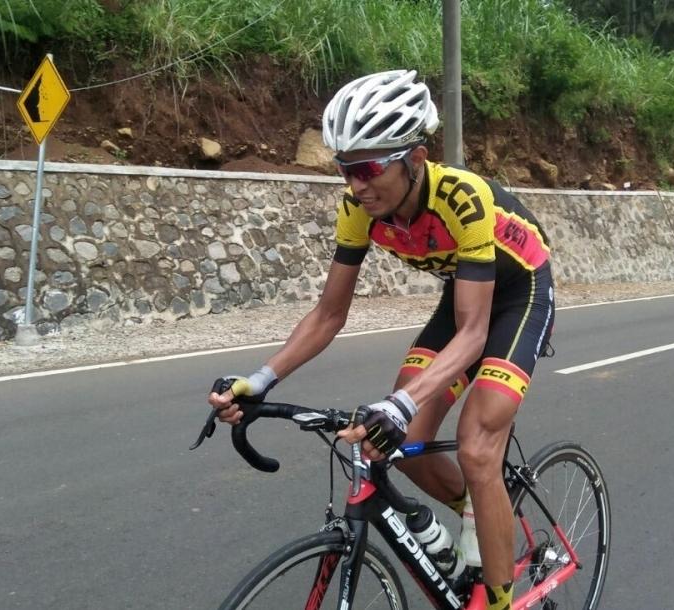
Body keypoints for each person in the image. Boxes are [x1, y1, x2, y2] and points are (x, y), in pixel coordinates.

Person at [208, 69, 554, 610]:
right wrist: (259, 379)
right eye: (346, 169)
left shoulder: (462, 199)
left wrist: (399, 400)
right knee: (404, 441)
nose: (356, 185)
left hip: (518, 293)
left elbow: (475, 332)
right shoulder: (358, 211)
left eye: (368, 168)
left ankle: (501, 600)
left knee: (477, 445)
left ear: (414, 159)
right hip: (464, 294)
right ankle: (477, 509)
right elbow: (328, 314)